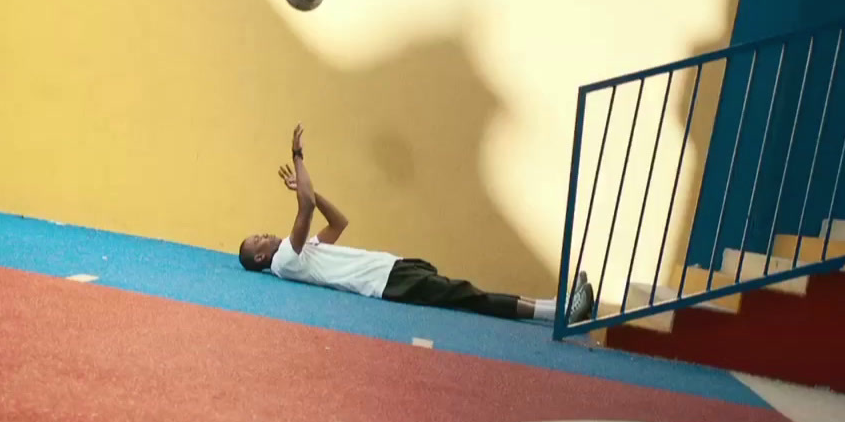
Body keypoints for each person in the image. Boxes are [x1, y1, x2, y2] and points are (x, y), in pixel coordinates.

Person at [237, 124, 595, 324]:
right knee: (471, 296)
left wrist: (309, 188)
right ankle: (560, 312)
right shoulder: (285, 261)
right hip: (385, 282)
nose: (263, 234)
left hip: (391, 267)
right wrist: (299, 160)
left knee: (467, 293)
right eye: (257, 240)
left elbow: (338, 222)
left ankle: (557, 306)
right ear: (259, 258)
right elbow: (308, 207)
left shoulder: (303, 254)